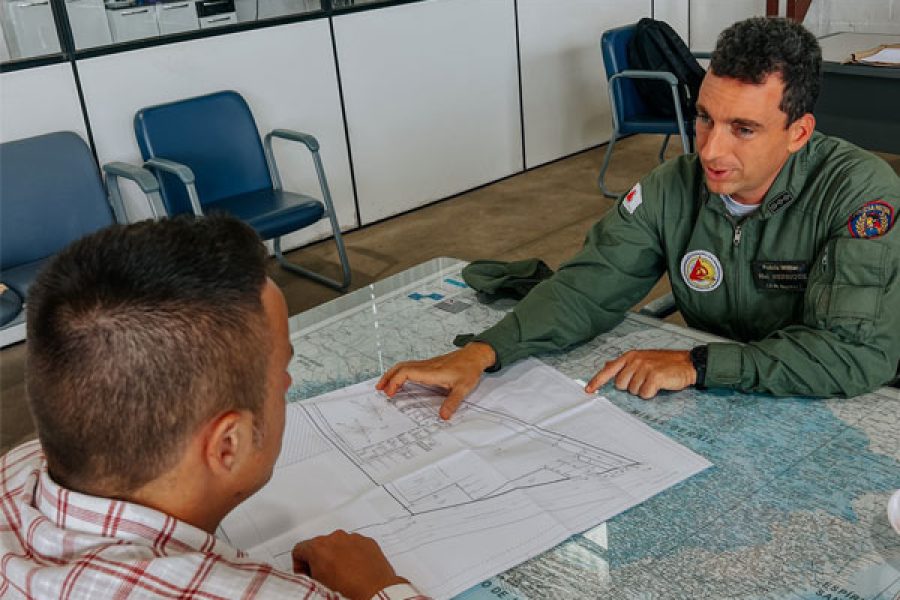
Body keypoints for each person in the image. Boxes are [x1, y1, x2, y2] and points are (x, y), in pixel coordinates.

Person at [378, 16, 900, 419]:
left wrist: (699, 365)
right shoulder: (671, 187)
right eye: (704, 118)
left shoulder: (859, 195)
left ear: (798, 133)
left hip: (838, 403)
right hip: (728, 403)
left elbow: (852, 356)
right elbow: (587, 288)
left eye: (743, 129)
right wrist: (486, 351)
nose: (711, 150)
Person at [0, 216, 426, 600]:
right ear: (229, 444)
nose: (289, 384)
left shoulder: (18, 466)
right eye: (282, 370)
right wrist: (379, 588)